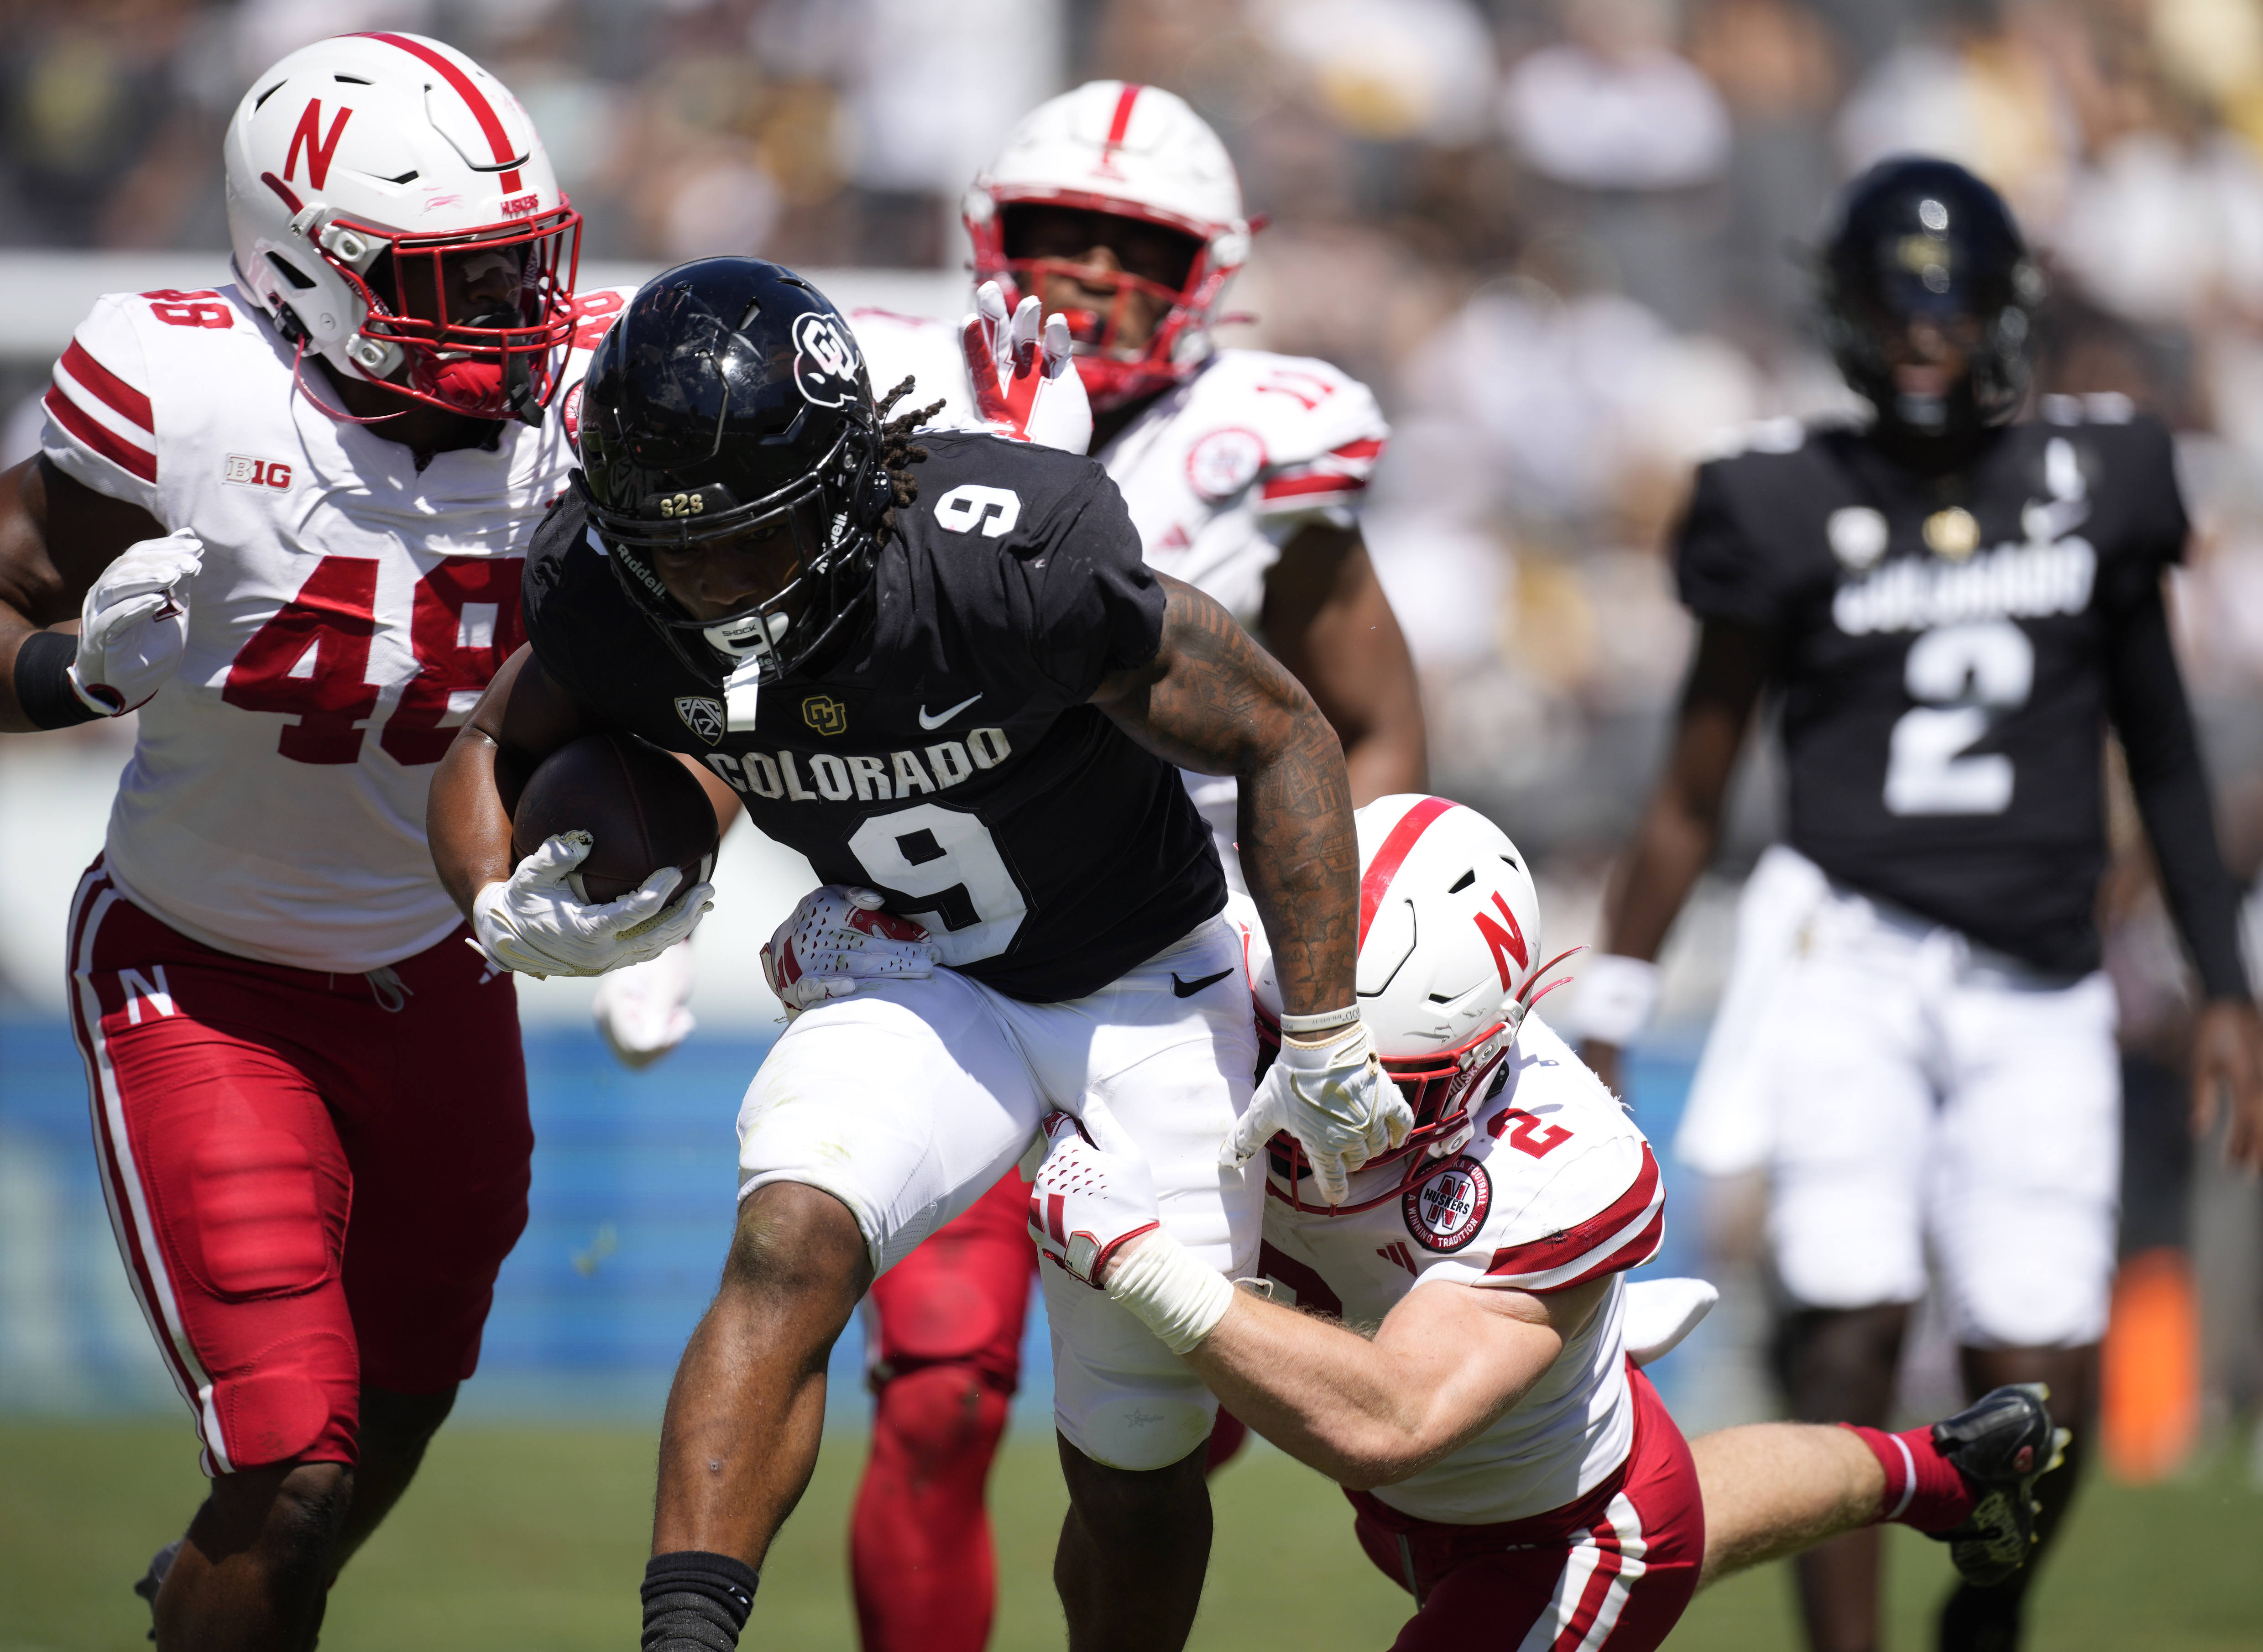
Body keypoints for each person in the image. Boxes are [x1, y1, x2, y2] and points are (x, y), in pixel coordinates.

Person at [426, 256, 1408, 1652]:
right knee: (788, 1234)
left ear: (844, 481)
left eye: (748, 541)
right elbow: (490, 743)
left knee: (1137, 1446)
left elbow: (1284, 728)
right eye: (674, 546)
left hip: (1139, 977)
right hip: (913, 964)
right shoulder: (609, 582)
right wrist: (489, 889)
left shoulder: (999, 552)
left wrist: (1320, 1029)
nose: (707, 585)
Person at [0, 33, 641, 1652]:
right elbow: (10, 587)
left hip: (437, 969)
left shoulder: (591, 401)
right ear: (300, 271)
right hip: (203, 970)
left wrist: (658, 871)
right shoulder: (183, 391)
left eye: (517, 269)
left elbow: (688, 673)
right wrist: (62, 670)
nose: (510, 319)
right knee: (291, 1458)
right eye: (450, 280)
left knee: (407, 1402)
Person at [1573, 157, 2263, 1652]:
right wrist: (1613, 1002)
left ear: (2008, 313)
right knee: (1849, 1315)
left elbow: (2163, 743)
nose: (1922, 336)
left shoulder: (2100, 477)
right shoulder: (1781, 495)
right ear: (1845, 316)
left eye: (1949, 309)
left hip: (2042, 964)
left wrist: (2223, 980)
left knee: (2047, 1357)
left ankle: (1985, 1621)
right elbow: (1695, 782)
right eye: (1895, 308)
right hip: (1850, 951)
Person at [1027, 791, 2069, 1652]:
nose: (1317, 1105)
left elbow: (1390, 1422)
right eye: (1296, 1044)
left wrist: (1145, 1259)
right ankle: (1943, 1470)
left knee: (1657, 1515)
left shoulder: (1564, 1165)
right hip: (1479, 1476)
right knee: (1681, 1490)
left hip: (1553, 1538)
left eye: (1377, 1081)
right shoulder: (1220, 959)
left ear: (1488, 1047)